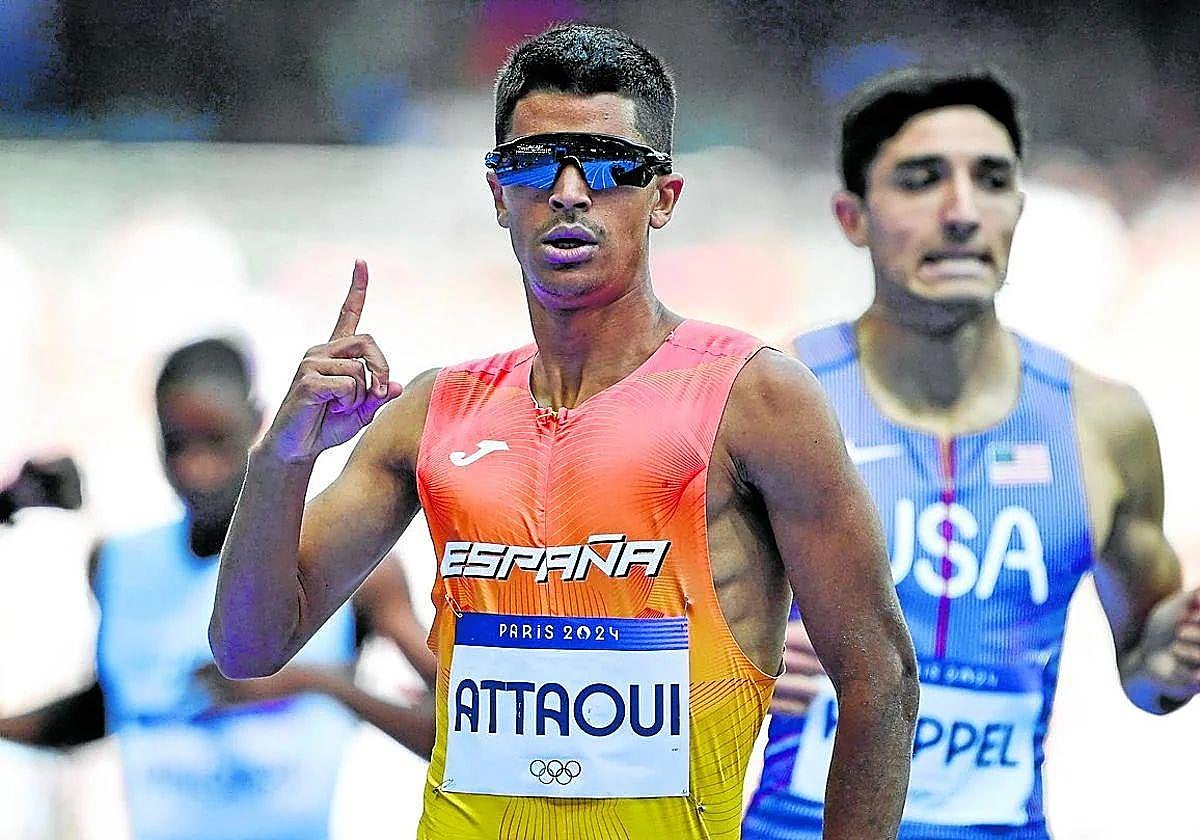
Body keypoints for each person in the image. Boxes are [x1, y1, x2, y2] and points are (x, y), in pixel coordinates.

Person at [209, 23, 919, 840]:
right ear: (498, 192)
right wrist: (281, 459)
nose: (572, 192)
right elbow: (248, 645)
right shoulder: (433, 412)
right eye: (538, 163)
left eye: (612, 166)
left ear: (664, 198)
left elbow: (882, 679)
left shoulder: (753, 401)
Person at [743, 67, 1200, 840]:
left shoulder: (1103, 420)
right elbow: (663, 643)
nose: (960, 212)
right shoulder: (771, 401)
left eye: (991, 180)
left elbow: (1149, 679)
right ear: (851, 216)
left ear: (1018, 208)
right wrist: (736, 661)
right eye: (921, 181)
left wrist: (1175, 652)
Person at [0, 337, 436, 840]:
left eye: (216, 442)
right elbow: (107, 708)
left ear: (257, 423)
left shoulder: (340, 563)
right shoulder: (116, 564)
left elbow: (453, 725)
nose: (195, 468)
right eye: (176, 445)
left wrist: (319, 684)